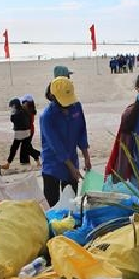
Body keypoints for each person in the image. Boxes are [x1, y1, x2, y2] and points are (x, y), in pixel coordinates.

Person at [40, 77, 92, 207]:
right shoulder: (47, 117)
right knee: (53, 204)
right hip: (52, 164)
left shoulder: (77, 107)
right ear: (53, 97)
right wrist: (71, 167)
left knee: (71, 203)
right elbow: (55, 145)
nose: (67, 106)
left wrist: (86, 156)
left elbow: (81, 132)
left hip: (72, 161)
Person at [0, 98, 38, 173]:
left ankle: (8, 163)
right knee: (27, 148)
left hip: (20, 133)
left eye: (12, 107)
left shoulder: (17, 112)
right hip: (27, 132)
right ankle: (38, 158)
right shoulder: (25, 111)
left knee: (14, 148)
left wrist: (12, 113)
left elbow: (12, 120)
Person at [21, 94, 41, 166]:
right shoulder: (30, 109)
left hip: (27, 131)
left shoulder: (27, 110)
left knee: (27, 148)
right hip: (29, 131)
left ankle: (40, 154)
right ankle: (34, 160)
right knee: (28, 146)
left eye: (23, 102)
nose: (22, 103)